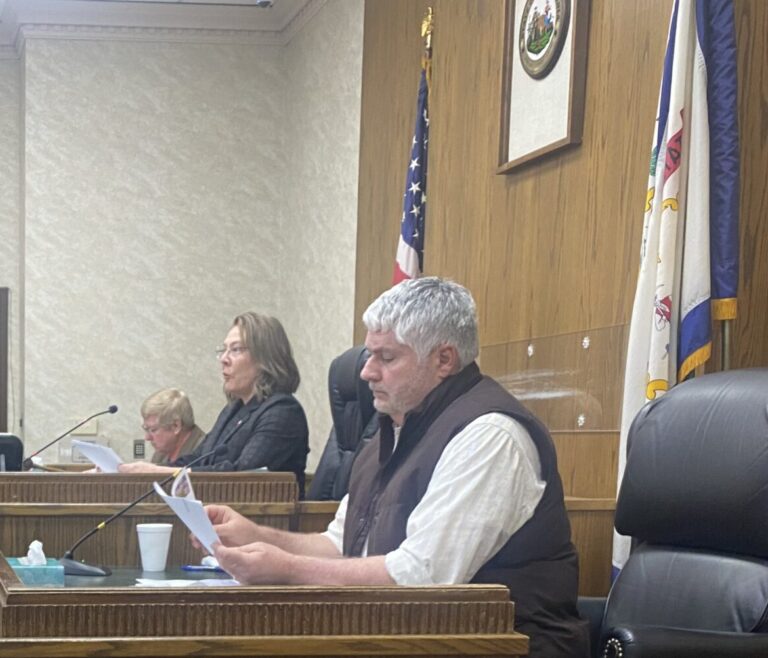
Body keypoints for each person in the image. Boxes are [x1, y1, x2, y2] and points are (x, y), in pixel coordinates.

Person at [196, 279, 588, 657]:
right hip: (408, 637)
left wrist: (287, 569)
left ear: (444, 359)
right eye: (369, 355)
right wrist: (254, 535)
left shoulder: (490, 436)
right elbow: (342, 545)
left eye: (386, 358)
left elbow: (422, 579)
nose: (366, 371)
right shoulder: (391, 432)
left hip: (504, 644)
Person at [120, 312, 309, 496]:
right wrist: (147, 471)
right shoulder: (233, 410)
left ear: (265, 358)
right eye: (223, 350)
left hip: (259, 514)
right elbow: (197, 459)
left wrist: (160, 473)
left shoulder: (283, 412)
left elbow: (244, 476)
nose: (224, 359)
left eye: (236, 349)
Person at [139, 388, 206, 465]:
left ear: (176, 426)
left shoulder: (204, 454)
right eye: (146, 429)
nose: (147, 438)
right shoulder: (161, 453)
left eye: (153, 430)